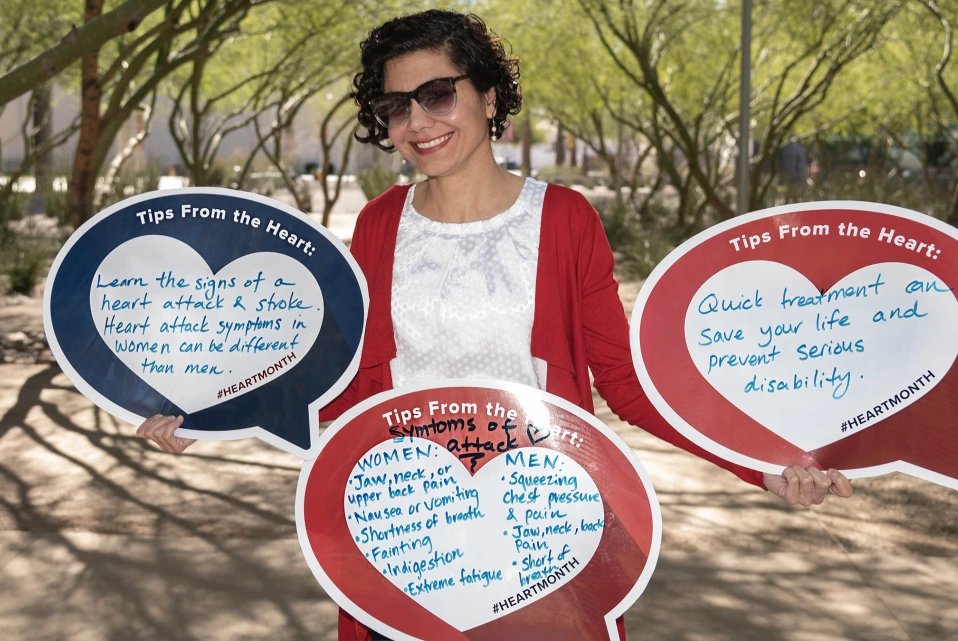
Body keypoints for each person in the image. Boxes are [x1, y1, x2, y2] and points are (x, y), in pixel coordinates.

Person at [137, 9, 852, 640]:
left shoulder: (567, 219)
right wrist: (214, 414)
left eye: (437, 94)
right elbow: (344, 382)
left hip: (541, 525)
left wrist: (764, 460)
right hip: (404, 523)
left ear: (486, 95)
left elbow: (629, 387)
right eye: (396, 106)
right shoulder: (381, 225)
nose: (418, 123)